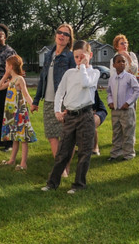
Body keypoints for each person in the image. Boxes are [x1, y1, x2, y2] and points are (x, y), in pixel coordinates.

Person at [41, 40, 101, 194]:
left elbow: (85, 83)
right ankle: (52, 183)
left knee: (84, 152)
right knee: (63, 152)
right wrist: (57, 111)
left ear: (90, 55)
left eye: (82, 56)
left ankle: (79, 184)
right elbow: (60, 92)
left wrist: (83, 67)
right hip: (70, 116)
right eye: (76, 57)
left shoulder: (94, 73)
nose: (79, 60)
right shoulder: (69, 74)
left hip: (86, 116)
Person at [33, 23, 76, 170]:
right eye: (60, 32)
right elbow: (42, 78)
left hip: (64, 102)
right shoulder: (48, 55)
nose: (62, 36)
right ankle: (61, 168)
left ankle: (66, 166)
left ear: (70, 39)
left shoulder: (70, 57)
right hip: (49, 101)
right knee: (52, 135)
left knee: (66, 137)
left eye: (66, 34)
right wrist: (36, 100)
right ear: (56, 34)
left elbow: (73, 81)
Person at [0, 55, 37, 170]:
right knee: (15, 137)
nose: (5, 68)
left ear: (10, 66)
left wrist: (32, 105)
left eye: (6, 66)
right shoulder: (11, 80)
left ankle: (23, 163)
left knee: (23, 138)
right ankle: (12, 160)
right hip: (11, 113)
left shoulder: (20, 79)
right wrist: (5, 76)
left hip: (20, 112)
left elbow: (26, 94)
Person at [107, 52, 139, 161]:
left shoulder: (129, 77)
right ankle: (115, 153)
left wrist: (128, 102)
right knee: (116, 132)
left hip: (127, 110)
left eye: (123, 61)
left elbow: (138, 90)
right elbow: (109, 92)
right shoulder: (112, 79)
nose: (122, 63)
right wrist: (110, 102)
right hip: (115, 110)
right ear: (114, 65)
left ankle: (128, 154)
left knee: (128, 132)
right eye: (119, 62)